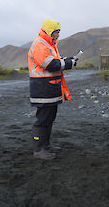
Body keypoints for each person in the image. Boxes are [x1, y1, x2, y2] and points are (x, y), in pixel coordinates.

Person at [28, 20, 76, 160]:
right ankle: (38, 149)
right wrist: (67, 63)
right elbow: (49, 64)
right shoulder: (40, 44)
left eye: (58, 32)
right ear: (48, 31)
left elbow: (56, 61)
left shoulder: (49, 45)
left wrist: (67, 60)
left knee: (49, 117)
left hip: (50, 88)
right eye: (56, 32)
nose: (57, 35)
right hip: (42, 88)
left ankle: (46, 145)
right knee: (42, 119)